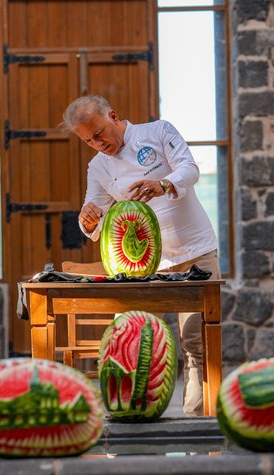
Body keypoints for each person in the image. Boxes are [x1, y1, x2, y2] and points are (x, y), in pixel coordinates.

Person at [62, 94, 220, 416]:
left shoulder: (158, 132)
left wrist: (163, 184)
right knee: (133, 346)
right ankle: (135, 419)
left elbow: (189, 169)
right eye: (88, 140)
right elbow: (93, 213)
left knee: (197, 344)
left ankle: (198, 426)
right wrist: (87, 221)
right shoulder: (98, 167)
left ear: (113, 115)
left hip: (196, 252)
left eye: (99, 133)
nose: (97, 143)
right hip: (142, 268)